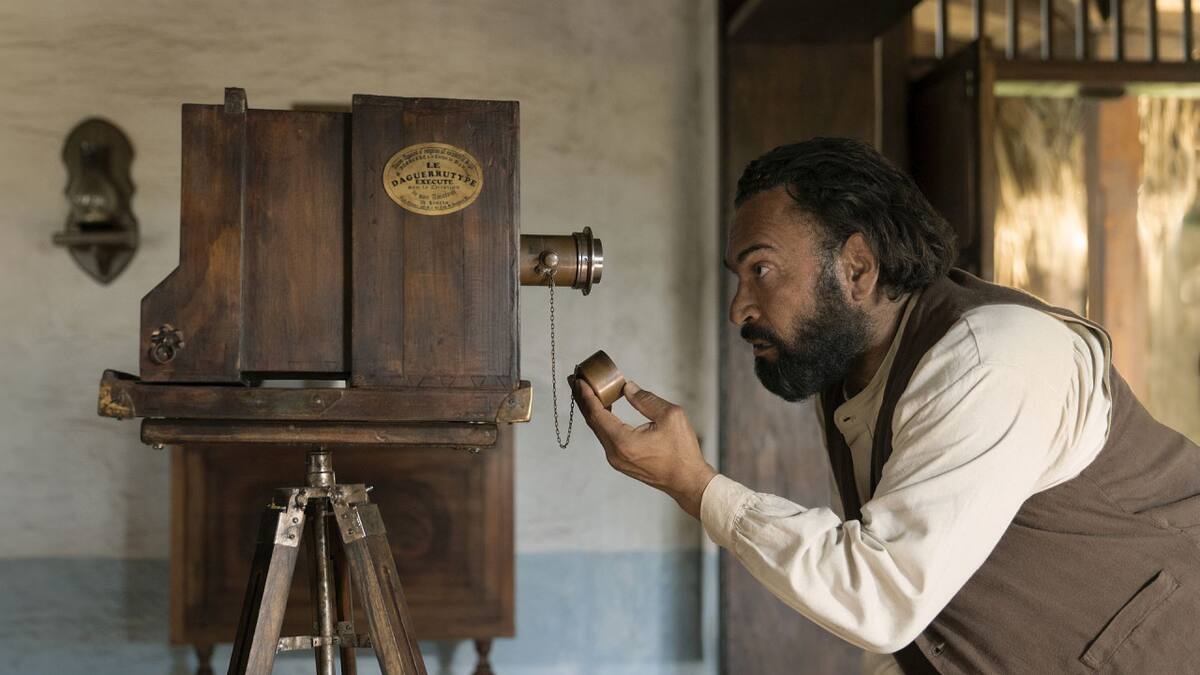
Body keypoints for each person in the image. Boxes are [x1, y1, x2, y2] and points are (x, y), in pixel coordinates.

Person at [570, 137, 1200, 674]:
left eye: (760, 270)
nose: (739, 308)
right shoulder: (851, 378)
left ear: (858, 269)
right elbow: (919, 623)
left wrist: (694, 484)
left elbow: (881, 595)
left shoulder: (990, 359)